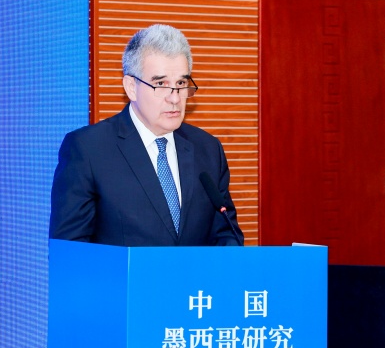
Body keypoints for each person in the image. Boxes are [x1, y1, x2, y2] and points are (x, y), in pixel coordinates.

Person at [49, 24, 244, 247]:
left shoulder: (208, 149)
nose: (175, 98)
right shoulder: (88, 149)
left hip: (195, 282)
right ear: (131, 87)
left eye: (181, 83)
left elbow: (227, 234)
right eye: (160, 84)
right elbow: (70, 254)